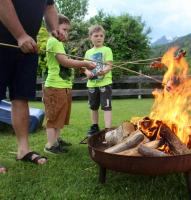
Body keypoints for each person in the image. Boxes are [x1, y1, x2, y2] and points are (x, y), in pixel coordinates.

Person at [0, 0, 64, 173]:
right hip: (4, 42)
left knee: (21, 97)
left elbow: (49, 6)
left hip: (29, 46)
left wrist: (54, 28)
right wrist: (20, 35)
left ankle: (23, 150)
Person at [43, 14, 96, 154]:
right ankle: (50, 145)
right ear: (54, 28)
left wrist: (80, 66)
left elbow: (66, 62)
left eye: (67, 30)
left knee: (60, 116)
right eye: (64, 29)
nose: (66, 33)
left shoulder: (59, 43)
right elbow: (64, 62)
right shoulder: (53, 41)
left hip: (64, 86)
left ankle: (56, 140)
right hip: (55, 86)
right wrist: (84, 62)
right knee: (53, 117)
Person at [83, 25, 113, 136]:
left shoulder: (107, 50)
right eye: (96, 36)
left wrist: (104, 71)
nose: (99, 38)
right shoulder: (88, 53)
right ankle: (95, 126)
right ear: (90, 37)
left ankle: (108, 129)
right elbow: (84, 67)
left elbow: (109, 65)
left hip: (105, 83)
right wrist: (87, 73)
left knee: (106, 106)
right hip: (92, 84)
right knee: (93, 106)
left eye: (101, 36)